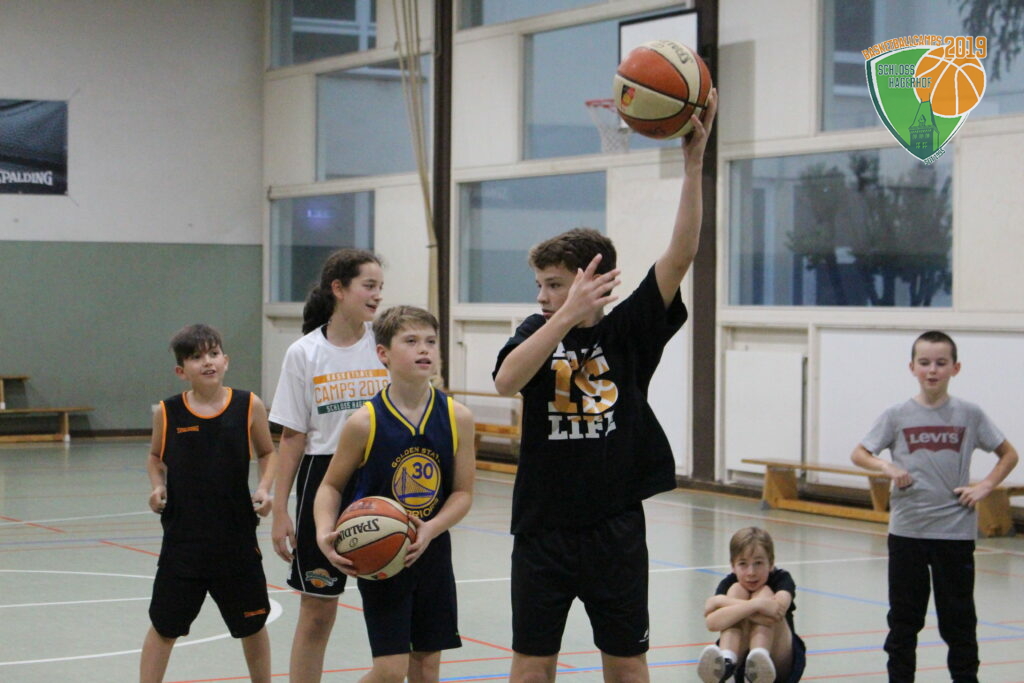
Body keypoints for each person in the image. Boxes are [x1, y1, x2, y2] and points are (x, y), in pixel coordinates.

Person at [491, 89, 717, 682]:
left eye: (554, 284)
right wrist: (560, 317)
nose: (542, 295)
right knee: (532, 665)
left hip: (614, 528)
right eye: (539, 285)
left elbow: (681, 253)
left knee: (627, 664)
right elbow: (506, 381)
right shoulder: (534, 331)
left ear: (592, 278)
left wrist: (693, 165)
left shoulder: (628, 332)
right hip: (542, 529)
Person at [312, 305, 475, 683]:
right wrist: (323, 533)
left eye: (431, 341)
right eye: (411, 341)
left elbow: (463, 493)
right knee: (389, 671)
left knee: (427, 667)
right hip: (381, 556)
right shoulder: (364, 422)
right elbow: (330, 486)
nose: (425, 349)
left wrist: (431, 528)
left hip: (432, 553)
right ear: (383, 353)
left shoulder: (458, 417)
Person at [850, 330, 1018, 683]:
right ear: (912, 367)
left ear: (955, 368)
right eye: (924, 362)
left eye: (941, 363)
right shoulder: (897, 414)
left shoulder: (970, 414)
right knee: (904, 620)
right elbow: (860, 453)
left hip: (954, 533)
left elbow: (1008, 454)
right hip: (908, 531)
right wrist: (886, 467)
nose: (932, 370)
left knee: (959, 620)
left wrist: (985, 486)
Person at [268, 248, 388, 682]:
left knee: (391, 606)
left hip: (382, 476)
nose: (377, 295)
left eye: (380, 287)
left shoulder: (386, 345)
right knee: (317, 611)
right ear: (338, 288)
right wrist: (280, 510)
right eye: (368, 286)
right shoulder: (304, 352)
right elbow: (292, 437)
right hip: (324, 480)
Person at [140, 324, 276, 683]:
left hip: (236, 540)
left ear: (226, 360)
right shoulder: (168, 412)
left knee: (252, 626)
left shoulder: (248, 405)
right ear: (181, 370)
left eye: (213, 354)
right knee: (164, 627)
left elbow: (267, 452)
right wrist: (157, 486)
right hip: (184, 543)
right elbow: (155, 457)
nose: (207, 362)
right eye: (197, 357)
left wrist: (265, 489)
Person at [697, 527, 806, 683]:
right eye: (743, 564)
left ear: (771, 563)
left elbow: (776, 612)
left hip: (780, 662)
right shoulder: (729, 583)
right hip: (742, 659)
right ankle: (727, 661)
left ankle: (759, 663)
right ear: (733, 566)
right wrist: (757, 605)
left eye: (758, 563)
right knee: (736, 590)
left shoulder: (781, 578)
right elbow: (712, 623)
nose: (751, 572)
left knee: (764, 592)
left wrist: (721, 601)